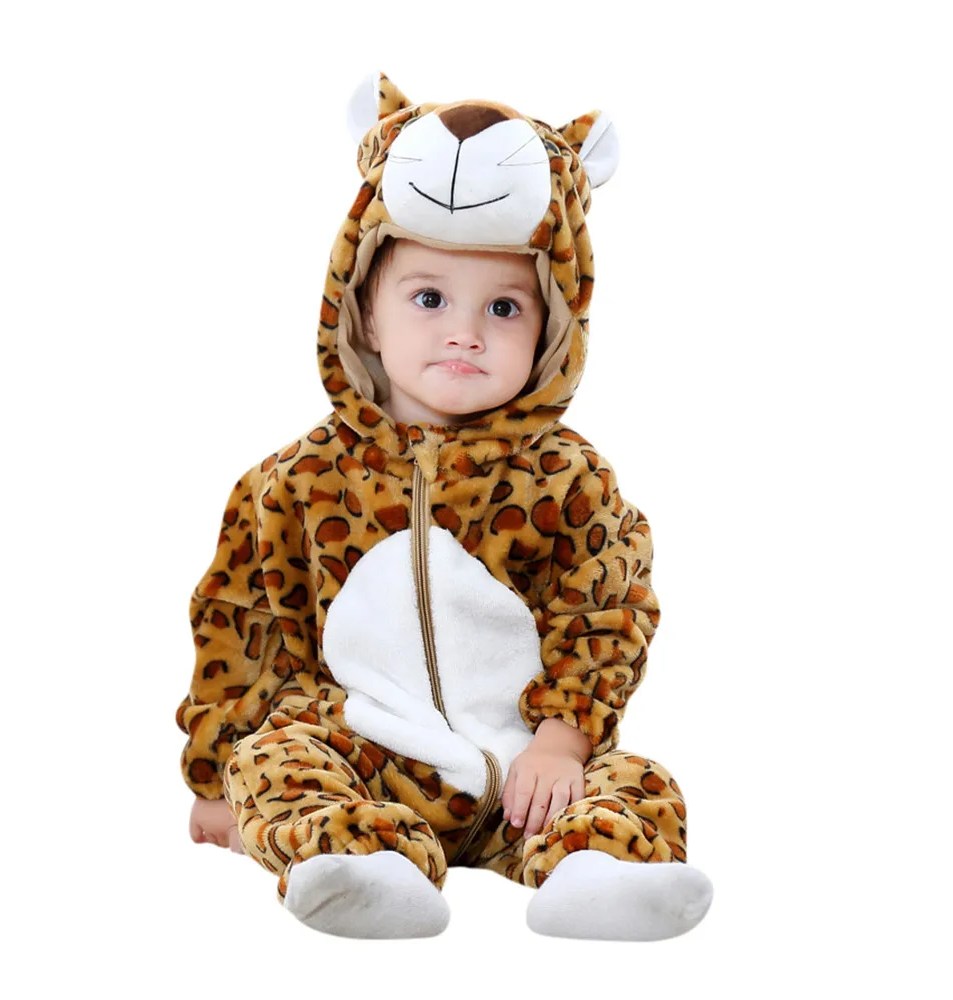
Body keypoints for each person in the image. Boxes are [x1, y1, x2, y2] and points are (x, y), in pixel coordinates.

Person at [175, 71, 714, 941]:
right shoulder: (297, 482)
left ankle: (597, 872)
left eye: (504, 307)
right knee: (273, 761)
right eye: (429, 298)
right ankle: (365, 866)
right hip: (364, 755)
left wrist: (562, 741)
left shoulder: (568, 479)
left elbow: (608, 609)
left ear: (553, 329)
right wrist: (213, 779)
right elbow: (242, 626)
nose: (465, 331)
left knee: (635, 783)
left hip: (526, 773)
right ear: (363, 311)